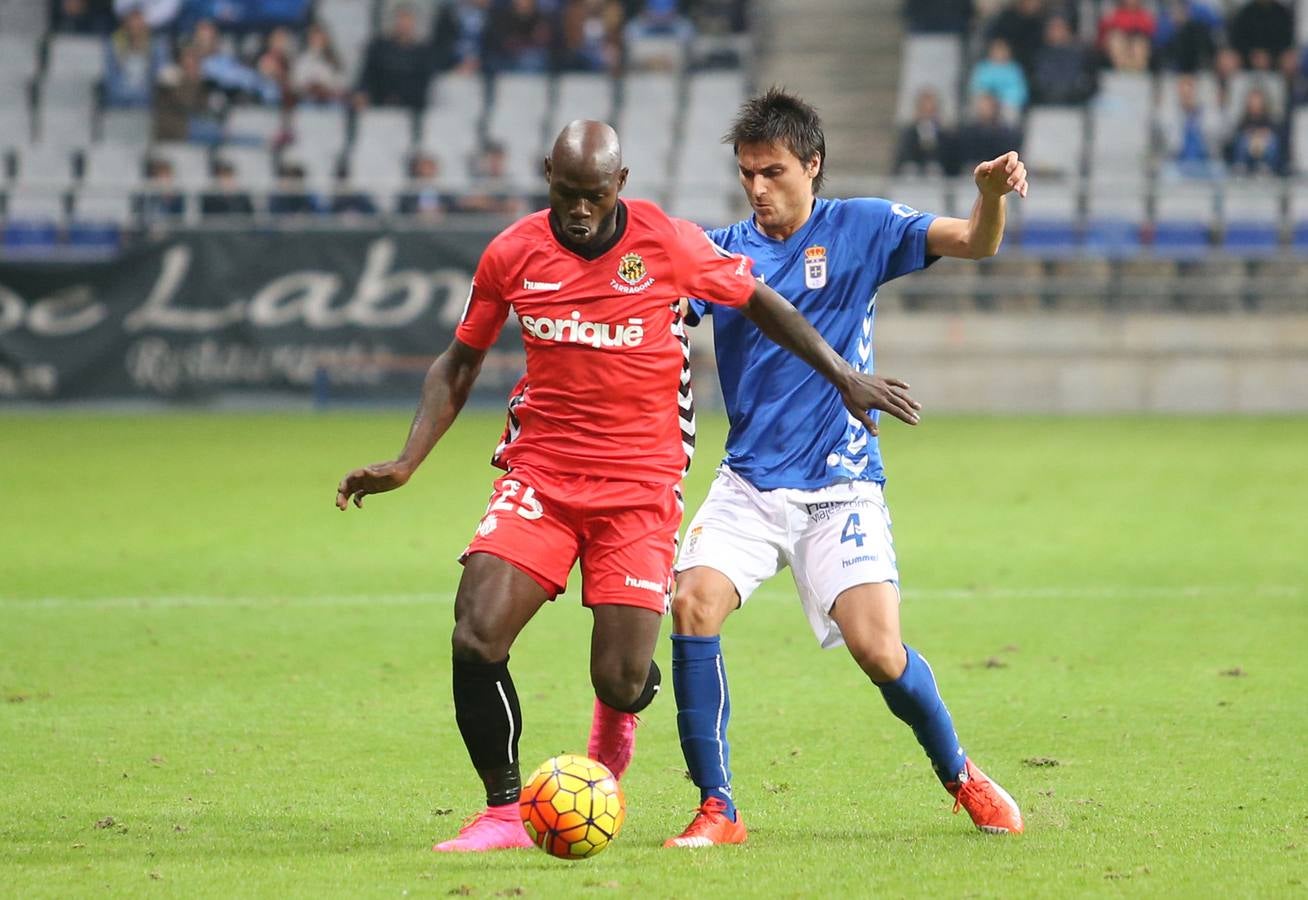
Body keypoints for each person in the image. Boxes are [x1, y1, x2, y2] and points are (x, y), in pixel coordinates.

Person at [334, 119, 914, 853]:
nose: (580, 210)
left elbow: (759, 299)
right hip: (542, 474)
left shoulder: (667, 244)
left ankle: (623, 705)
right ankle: (504, 811)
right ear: (548, 176)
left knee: (618, 677)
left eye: (595, 195)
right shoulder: (512, 253)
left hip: (640, 487)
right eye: (567, 193)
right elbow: (459, 361)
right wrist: (407, 460)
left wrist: (843, 375)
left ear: (621, 184)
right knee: (476, 634)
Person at [662, 88, 1027, 849]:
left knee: (878, 650)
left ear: (812, 165)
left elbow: (976, 242)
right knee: (692, 605)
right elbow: (658, 315)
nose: (757, 188)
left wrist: (990, 197)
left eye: (772, 171)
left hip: (842, 484)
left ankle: (961, 775)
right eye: (747, 173)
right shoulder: (720, 253)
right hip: (749, 483)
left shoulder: (862, 226)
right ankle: (718, 807)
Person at [893, 88, 955, 176]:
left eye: (931, 111)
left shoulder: (946, 137)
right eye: (924, 110)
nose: (928, 115)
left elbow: (951, 164)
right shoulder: (908, 135)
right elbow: (900, 161)